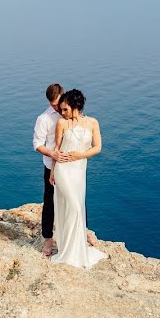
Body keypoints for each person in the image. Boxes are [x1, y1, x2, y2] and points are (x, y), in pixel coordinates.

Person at [49, 89, 106, 269]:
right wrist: (52, 171)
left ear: (76, 107)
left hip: (79, 171)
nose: (62, 113)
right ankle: (68, 251)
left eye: (66, 109)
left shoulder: (92, 123)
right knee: (74, 207)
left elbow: (97, 148)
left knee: (77, 206)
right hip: (63, 170)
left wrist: (79, 155)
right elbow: (56, 150)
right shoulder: (61, 124)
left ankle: (77, 249)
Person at [33, 83, 68, 257]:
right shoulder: (44, 119)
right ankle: (48, 237)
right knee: (50, 202)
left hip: (71, 164)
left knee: (75, 198)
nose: (56, 107)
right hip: (51, 166)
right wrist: (52, 153)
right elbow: (37, 144)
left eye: (57, 103)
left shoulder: (71, 111)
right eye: (52, 104)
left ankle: (80, 231)